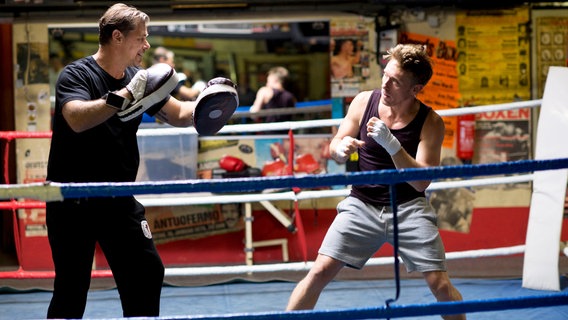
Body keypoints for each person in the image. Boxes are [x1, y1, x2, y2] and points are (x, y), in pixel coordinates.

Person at [45, 3, 236, 319]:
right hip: (72, 201)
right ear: (117, 37)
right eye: (141, 38)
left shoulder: (140, 78)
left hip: (117, 198)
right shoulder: (77, 74)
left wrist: (211, 105)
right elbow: (76, 118)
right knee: (71, 287)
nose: (146, 46)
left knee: (147, 272)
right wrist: (123, 97)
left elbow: (178, 114)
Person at [286, 44, 465, 320]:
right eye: (385, 74)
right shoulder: (363, 101)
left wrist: (392, 145)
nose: (386, 84)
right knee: (319, 271)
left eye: (395, 81)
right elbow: (334, 146)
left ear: (415, 89)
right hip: (361, 204)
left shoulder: (431, 122)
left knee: (439, 285)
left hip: (408, 208)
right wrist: (341, 148)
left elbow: (421, 184)